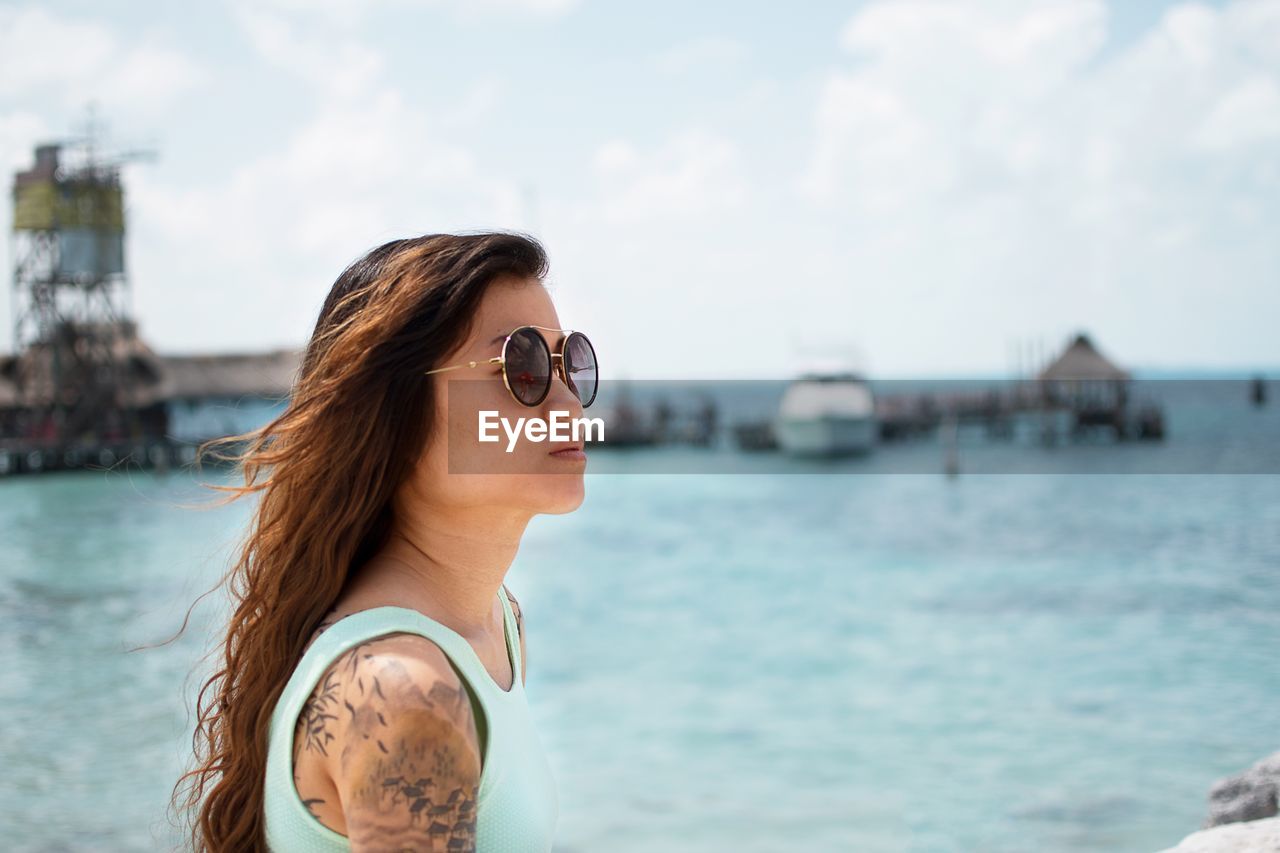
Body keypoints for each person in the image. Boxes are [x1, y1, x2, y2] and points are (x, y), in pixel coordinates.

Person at [172, 232, 597, 852]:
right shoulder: (405, 694)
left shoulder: (497, 626)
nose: (565, 401)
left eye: (571, 364)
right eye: (522, 366)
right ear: (397, 410)